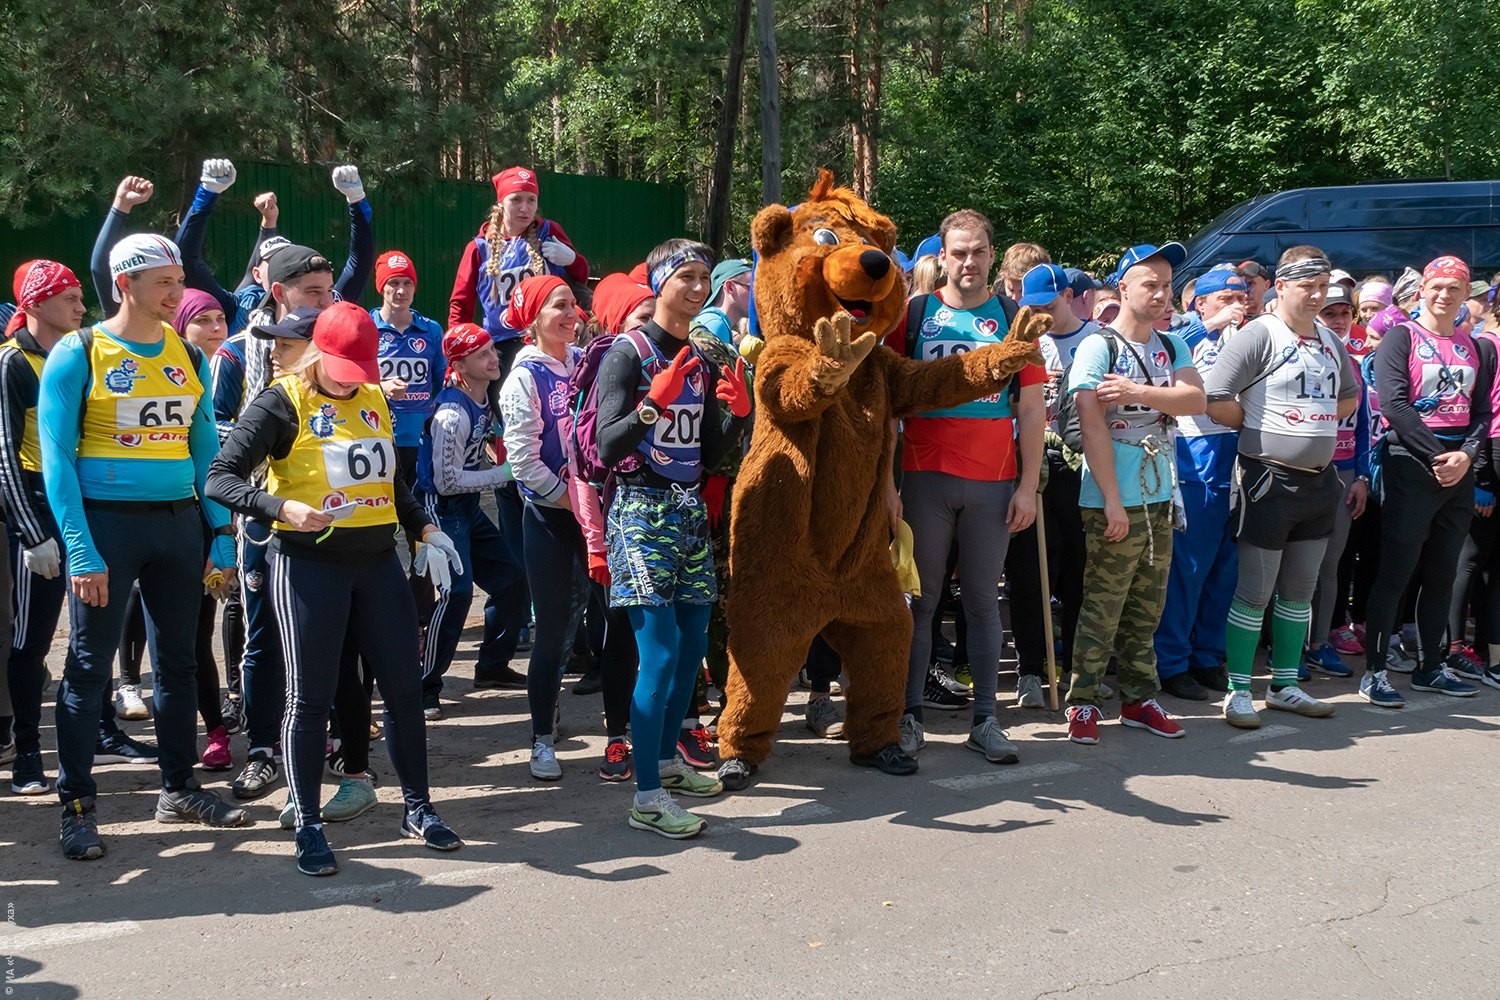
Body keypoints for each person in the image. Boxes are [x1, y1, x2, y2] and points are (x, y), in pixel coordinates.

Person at [205, 301, 464, 876]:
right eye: (342, 370)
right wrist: (280, 507)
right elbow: (219, 477)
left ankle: (417, 808)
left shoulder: (372, 397)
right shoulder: (279, 401)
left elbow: (391, 484)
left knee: (403, 690)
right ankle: (309, 822)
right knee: (310, 698)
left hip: (377, 565)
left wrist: (425, 529)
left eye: (361, 372)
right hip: (309, 567)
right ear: (317, 353)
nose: (352, 383)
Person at [40, 234, 244, 861]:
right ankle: (76, 805)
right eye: (165, 281)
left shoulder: (187, 352)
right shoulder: (79, 352)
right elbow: (55, 460)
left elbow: (206, 448)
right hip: (107, 525)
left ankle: (178, 787)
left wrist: (220, 531)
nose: (177, 291)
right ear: (125, 283)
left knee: (180, 661)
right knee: (88, 666)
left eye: (179, 279)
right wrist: (80, 549)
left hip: (179, 524)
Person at [595, 239, 751, 837]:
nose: (695, 287)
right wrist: (651, 408)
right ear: (660, 282)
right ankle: (647, 795)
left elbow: (708, 455)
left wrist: (735, 417)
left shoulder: (704, 357)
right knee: (657, 654)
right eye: (685, 276)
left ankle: (665, 762)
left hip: (687, 512)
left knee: (690, 650)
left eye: (703, 278)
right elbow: (608, 446)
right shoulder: (625, 355)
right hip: (638, 511)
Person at [889, 214, 1045, 764]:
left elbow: (1030, 410)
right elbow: (889, 401)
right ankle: (908, 715)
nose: (969, 262)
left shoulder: (1013, 319)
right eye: (959, 252)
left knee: (981, 602)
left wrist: (1028, 487)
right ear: (944, 256)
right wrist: (889, 486)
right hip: (925, 478)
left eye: (978, 251)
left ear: (992, 255)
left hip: (993, 482)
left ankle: (986, 720)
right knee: (920, 601)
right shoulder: (914, 314)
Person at [1202, 247, 1358, 728]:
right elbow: (1215, 399)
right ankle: (1239, 690)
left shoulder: (1331, 339)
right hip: (1267, 479)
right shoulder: (1258, 334)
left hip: (1318, 483)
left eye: (1323, 285)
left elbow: (1349, 396)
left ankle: (1286, 685)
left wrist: (1313, 425)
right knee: (1255, 589)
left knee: (1299, 590)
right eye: (1306, 285)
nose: (1316, 295)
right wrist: (1263, 423)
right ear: (1282, 286)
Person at [1063, 243, 1206, 745]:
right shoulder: (1097, 346)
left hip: (1160, 494)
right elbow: (1091, 422)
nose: (1163, 295)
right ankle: (1082, 702)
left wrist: (1138, 392)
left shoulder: (1171, 345)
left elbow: (1195, 398)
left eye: (1168, 285)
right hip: (1112, 498)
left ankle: (1138, 697)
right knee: (1103, 603)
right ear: (1123, 288)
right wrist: (1111, 500)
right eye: (1151, 284)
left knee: (1148, 604)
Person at [1360, 256, 1495, 706]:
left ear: (1463, 296)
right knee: (1397, 569)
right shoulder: (1401, 337)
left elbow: (1481, 413)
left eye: (1454, 289)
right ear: (1421, 292)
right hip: (1412, 461)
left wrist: (1468, 455)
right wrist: (1441, 457)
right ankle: (1375, 671)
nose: (1444, 295)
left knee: (1442, 570)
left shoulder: (1476, 346)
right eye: (1436, 287)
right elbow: (1395, 407)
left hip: (1456, 463)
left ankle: (1430, 666)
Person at [1, 261, 88, 796]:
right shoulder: (12, 364)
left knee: (88, 632)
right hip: (36, 505)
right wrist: (32, 533)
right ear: (34, 305)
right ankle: (28, 750)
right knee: (33, 639)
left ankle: (97, 733)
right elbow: (5, 454)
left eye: (82, 297)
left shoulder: (83, 353)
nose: (81, 308)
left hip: (83, 502)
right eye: (70, 298)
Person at [498, 276, 590, 779]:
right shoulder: (523, 378)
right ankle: (540, 736)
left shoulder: (584, 362)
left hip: (591, 514)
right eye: (560, 305)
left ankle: (622, 731)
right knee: (552, 630)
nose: (572, 312)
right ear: (534, 318)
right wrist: (574, 502)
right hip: (552, 518)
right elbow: (525, 465)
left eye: (574, 303)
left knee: (607, 616)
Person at [416, 324, 525, 719]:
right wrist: (506, 474)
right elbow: (445, 482)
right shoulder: (451, 413)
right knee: (456, 594)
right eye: (482, 355)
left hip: (467, 509)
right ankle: (424, 686)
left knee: (513, 578)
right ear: (460, 366)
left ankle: (493, 666)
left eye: (492, 350)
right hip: (440, 509)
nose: (493, 358)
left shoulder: (484, 397)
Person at [1153, 265, 1248, 701]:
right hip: (1196, 459)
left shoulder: (1250, 336)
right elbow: (1167, 356)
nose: (1236, 306)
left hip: (1241, 460)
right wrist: (1210, 324)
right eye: (1225, 298)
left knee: (1225, 570)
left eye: (1241, 297)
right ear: (1200, 302)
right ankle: (1172, 662)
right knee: (1188, 570)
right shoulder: (1184, 335)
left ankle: (1208, 655)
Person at [174, 159, 374, 335]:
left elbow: (360, 263)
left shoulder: (329, 302)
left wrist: (357, 200)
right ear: (258, 275)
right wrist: (207, 193)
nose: (285, 265)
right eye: (273, 261)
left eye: (287, 258)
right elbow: (187, 260)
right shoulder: (241, 306)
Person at [448, 167, 590, 373]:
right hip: (501, 348)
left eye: (531, 200)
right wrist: (456, 355)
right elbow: (460, 306)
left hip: (547, 341)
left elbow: (580, 278)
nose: (524, 208)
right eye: (516, 200)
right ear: (501, 203)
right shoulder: (479, 248)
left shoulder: (549, 232)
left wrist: (572, 259)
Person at [1305, 283, 1371, 677]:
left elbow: (1362, 427)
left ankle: (1320, 643)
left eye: (1345, 313)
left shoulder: (1355, 363)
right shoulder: (1306, 357)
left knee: (1330, 565)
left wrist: (1361, 475)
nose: (1340, 320)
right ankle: (1288, 647)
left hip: (1345, 473)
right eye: (1331, 314)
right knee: (1295, 567)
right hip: (1309, 471)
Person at [691, 259, 752, 346]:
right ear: (730, 287)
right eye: (753, 287)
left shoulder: (717, 322)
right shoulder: (715, 325)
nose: (758, 294)